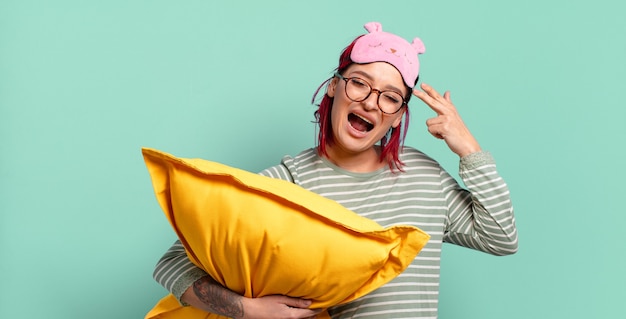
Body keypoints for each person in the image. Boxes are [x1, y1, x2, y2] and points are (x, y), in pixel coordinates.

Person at [152, 21, 518, 319]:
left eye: (390, 97)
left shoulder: (425, 176)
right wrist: (248, 310)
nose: (371, 103)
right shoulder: (289, 181)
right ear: (333, 87)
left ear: (398, 117)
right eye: (359, 83)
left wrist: (469, 149)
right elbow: (171, 264)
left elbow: (500, 238)